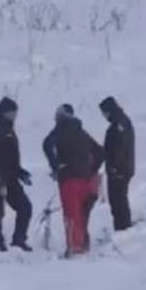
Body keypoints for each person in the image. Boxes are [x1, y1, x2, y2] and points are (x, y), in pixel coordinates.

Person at [42, 105, 104, 257]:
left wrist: (56, 166)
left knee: (72, 215)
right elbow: (101, 152)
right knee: (83, 215)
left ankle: (75, 248)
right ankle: (84, 246)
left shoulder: (60, 129)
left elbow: (46, 144)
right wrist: (92, 169)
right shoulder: (81, 131)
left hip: (69, 178)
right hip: (88, 180)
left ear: (59, 117)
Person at [0, 97, 33, 252]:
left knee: (25, 207)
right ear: (6, 112)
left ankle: (19, 239)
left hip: (11, 178)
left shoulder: (10, 130)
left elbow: (11, 159)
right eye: (13, 112)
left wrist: (21, 173)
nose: (15, 115)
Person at [100, 96, 135, 231]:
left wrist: (115, 166)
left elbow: (119, 147)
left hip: (119, 170)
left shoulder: (119, 125)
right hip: (121, 168)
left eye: (104, 113)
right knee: (118, 200)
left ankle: (123, 227)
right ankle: (122, 226)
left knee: (118, 200)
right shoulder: (122, 122)